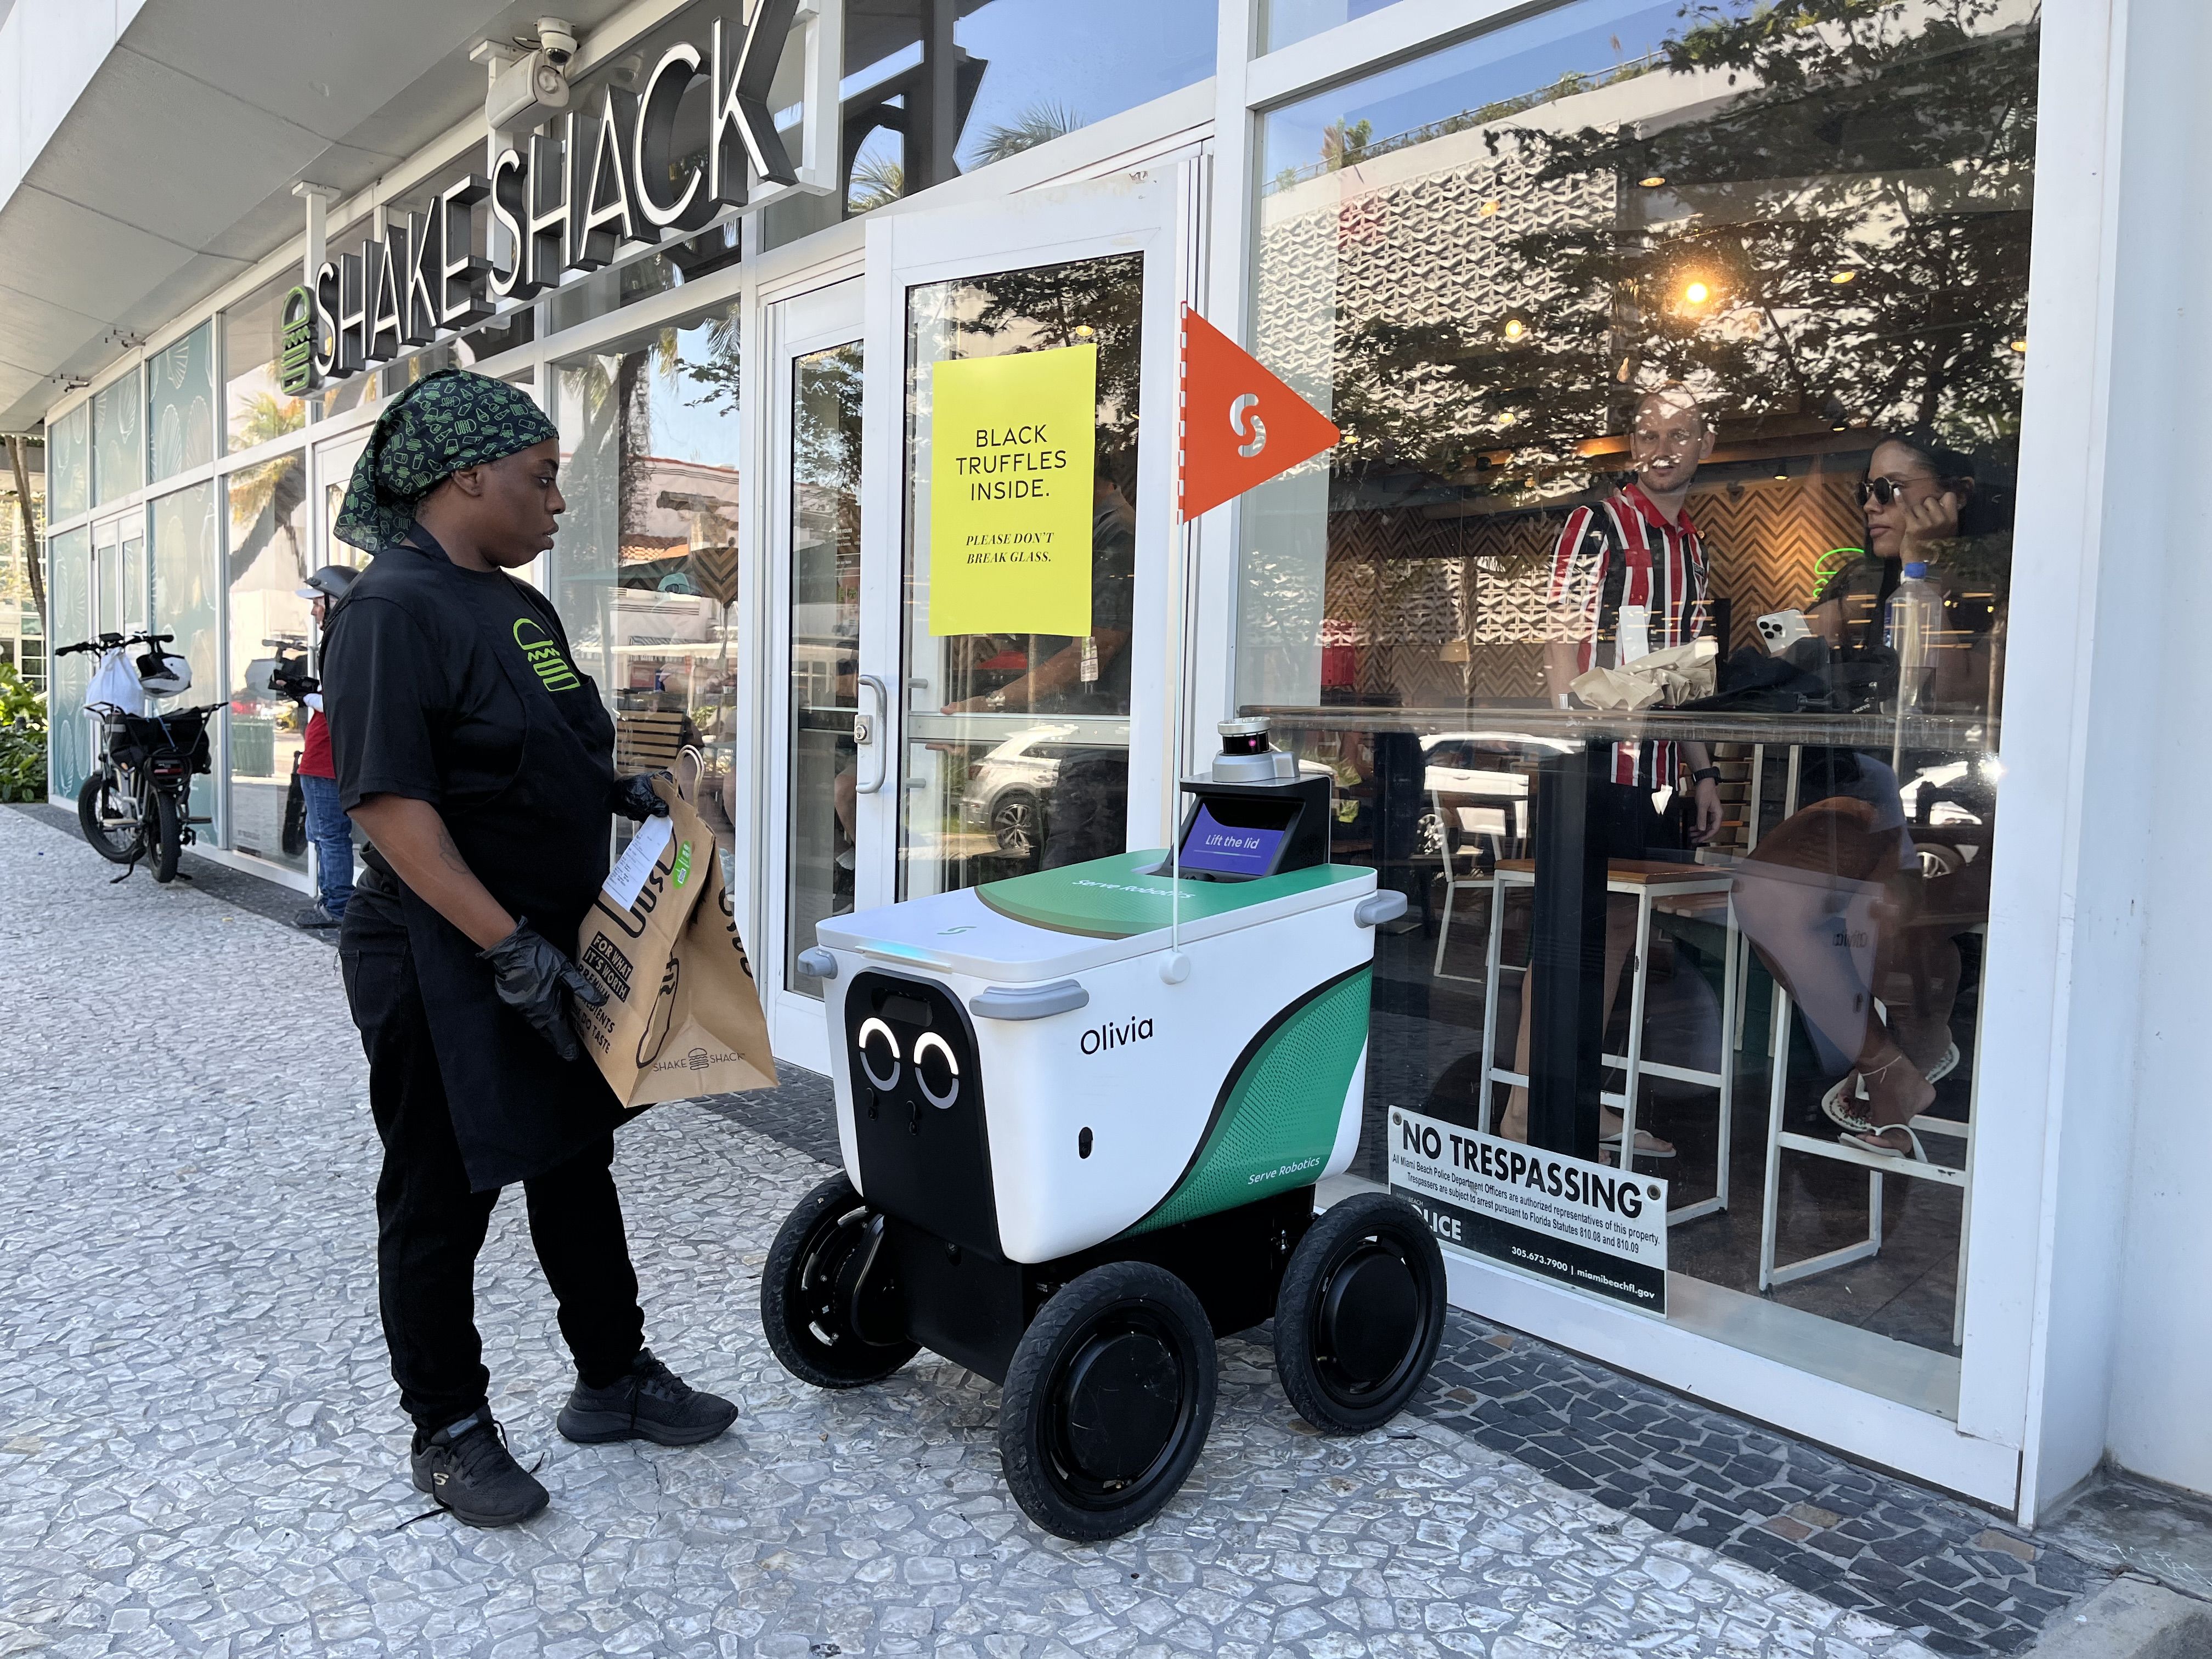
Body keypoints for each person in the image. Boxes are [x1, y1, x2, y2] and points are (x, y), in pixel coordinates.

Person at [322, 369, 737, 1530]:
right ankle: (448, 1427)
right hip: (438, 951)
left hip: (548, 937)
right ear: (467, 477)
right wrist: (510, 949)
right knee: (438, 1194)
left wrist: (630, 783)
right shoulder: (387, 611)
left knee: (573, 1160)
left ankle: (612, 1377)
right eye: (543, 478)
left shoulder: (520, 607)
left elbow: (552, 748)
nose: (560, 502)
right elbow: (389, 807)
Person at [1731, 430, 2005, 1159]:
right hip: (1878, 801)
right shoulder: (1859, 581)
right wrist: (1791, 636)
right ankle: (1890, 1067)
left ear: (1952, 496)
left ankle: (1916, 1043)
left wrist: (1925, 566)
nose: (1872, 504)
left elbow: (1958, 696)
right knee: (1765, 891)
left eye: (1890, 488)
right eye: (1866, 490)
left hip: (1966, 811)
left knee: (1872, 911)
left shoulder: (1991, 575)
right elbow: (1775, 632)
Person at [1500, 385, 1727, 1160]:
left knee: (1622, 936)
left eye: (1680, 432)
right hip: (1594, 765)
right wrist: (1574, 742)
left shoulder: (1694, 545)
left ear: (1704, 444)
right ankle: (1528, 1116)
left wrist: (1704, 773)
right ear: (1632, 447)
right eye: (1648, 433)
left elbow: (1691, 671)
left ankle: (1577, 1100)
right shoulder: (1597, 524)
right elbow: (1561, 639)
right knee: (1566, 938)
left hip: (1659, 769)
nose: (1663, 446)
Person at [946, 466, 1138, 869]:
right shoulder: (1089, 533)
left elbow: (1092, 651)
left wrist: (994, 702)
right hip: (1082, 740)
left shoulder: (1116, 533)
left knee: (1068, 877)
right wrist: (1002, 638)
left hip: (1102, 746)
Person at [286, 565, 357, 930]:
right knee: (326, 834)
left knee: (330, 836)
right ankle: (337, 900)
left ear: (336, 600)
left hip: (325, 760)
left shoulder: (343, 643)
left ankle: (337, 905)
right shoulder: (351, 641)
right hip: (333, 757)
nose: (314, 611)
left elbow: (346, 702)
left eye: (318, 603)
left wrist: (309, 697)